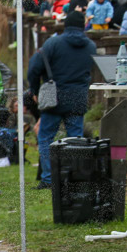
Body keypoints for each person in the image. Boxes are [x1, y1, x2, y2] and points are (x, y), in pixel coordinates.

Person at [26, 10, 96, 190]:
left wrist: (34, 89)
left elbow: (34, 67)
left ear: (66, 25)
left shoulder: (53, 43)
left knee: (45, 137)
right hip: (78, 97)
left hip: (54, 98)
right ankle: (75, 178)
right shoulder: (91, 46)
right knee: (76, 140)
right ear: (83, 26)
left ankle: (48, 179)